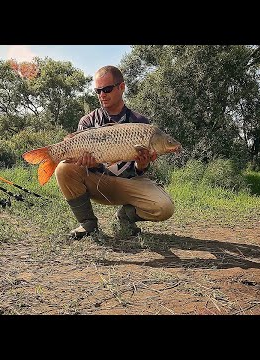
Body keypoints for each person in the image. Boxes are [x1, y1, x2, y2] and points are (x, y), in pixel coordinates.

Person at [54, 65, 175, 239]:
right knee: (62, 168)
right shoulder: (88, 121)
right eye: (98, 91)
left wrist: (142, 165)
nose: (102, 95)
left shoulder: (139, 123)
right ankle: (87, 223)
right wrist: (90, 162)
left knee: (165, 207)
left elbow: (140, 171)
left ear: (122, 87)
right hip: (98, 184)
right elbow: (83, 166)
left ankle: (124, 217)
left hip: (128, 185)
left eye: (107, 89)